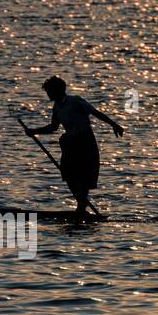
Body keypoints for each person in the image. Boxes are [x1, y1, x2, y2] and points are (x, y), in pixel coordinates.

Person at [23, 76, 124, 218]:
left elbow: (96, 113)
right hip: (70, 143)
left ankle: (81, 208)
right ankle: (81, 205)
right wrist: (34, 131)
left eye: (49, 91)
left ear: (57, 90)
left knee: (84, 175)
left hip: (85, 141)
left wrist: (114, 125)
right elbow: (53, 127)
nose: (48, 94)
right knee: (68, 175)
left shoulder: (75, 101)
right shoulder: (57, 107)